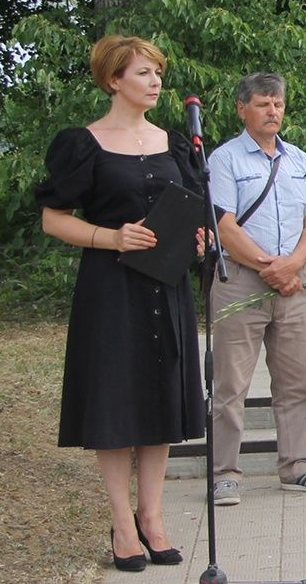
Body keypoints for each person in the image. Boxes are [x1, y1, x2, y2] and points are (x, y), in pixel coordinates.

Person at [36, 35, 204, 571]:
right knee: (116, 401)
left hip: (166, 284)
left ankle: (152, 517)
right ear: (113, 80)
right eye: (142, 73)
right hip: (111, 288)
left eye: (157, 72)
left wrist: (196, 239)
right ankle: (121, 524)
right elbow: (53, 218)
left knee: (162, 397)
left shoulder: (176, 142)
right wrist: (113, 237)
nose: (155, 82)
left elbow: (194, 208)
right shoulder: (82, 144)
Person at [209, 73, 306, 505]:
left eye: (278, 104)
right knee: (231, 384)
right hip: (240, 281)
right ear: (242, 108)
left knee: (298, 382)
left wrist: (294, 266)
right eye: (263, 104)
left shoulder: (299, 158)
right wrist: (271, 267)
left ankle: (298, 465)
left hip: (292, 284)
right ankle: (224, 473)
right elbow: (223, 226)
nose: (273, 112)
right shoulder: (225, 160)